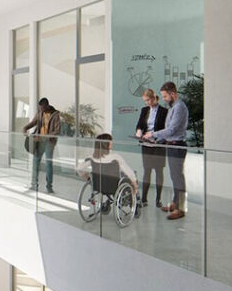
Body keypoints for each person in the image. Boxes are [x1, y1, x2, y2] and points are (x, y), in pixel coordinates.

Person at [143, 81, 189, 219]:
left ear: (173, 94)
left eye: (165, 96)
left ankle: (181, 208)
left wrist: (153, 134)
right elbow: (168, 131)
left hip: (177, 145)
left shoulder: (180, 107)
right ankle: (175, 203)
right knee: (175, 176)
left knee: (178, 177)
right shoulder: (173, 107)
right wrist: (157, 140)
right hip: (171, 144)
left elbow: (172, 129)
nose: (163, 99)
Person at [77, 133, 139, 205]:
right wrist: (135, 186)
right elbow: (129, 172)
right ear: (107, 144)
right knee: (130, 176)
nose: (112, 143)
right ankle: (130, 201)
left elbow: (79, 168)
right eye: (110, 141)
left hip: (98, 186)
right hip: (113, 186)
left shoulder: (92, 158)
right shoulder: (115, 158)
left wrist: (88, 178)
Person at [134, 89, 168, 207]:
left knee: (159, 171)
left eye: (147, 100)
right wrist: (139, 131)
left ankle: (158, 199)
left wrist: (156, 138)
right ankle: (144, 199)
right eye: (145, 101)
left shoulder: (164, 111)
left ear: (153, 98)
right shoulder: (144, 110)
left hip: (158, 145)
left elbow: (166, 130)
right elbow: (140, 125)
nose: (146, 103)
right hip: (146, 145)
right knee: (147, 171)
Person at [23, 98, 61, 194]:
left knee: (48, 164)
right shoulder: (40, 112)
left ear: (47, 106)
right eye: (40, 109)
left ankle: (49, 187)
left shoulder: (55, 115)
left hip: (49, 142)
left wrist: (42, 137)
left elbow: (57, 131)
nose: (41, 111)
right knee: (35, 162)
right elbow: (33, 122)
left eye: (43, 109)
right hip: (39, 142)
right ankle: (33, 185)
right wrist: (25, 128)